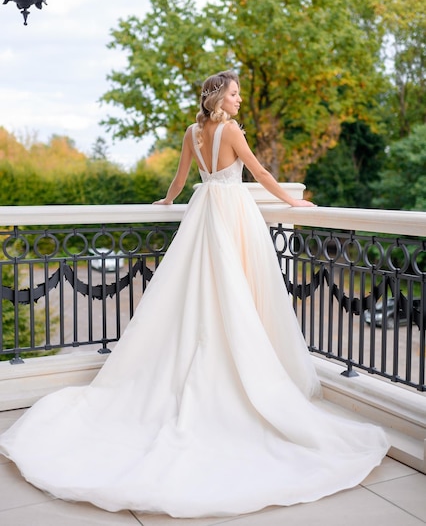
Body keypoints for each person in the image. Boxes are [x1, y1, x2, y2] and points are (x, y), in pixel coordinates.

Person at [0, 70, 389, 518]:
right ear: (219, 98)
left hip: (204, 212)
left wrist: (166, 202)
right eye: (235, 93)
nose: (240, 99)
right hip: (233, 214)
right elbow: (259, 172)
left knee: (198, 289)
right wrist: (293, 201)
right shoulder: (231, 131)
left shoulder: (192, 132)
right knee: (234, 288)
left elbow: (181, 179)